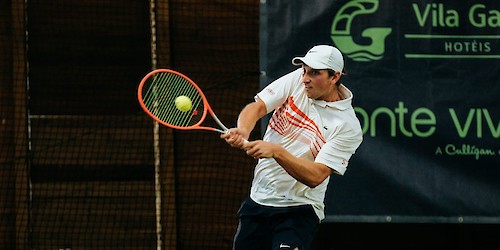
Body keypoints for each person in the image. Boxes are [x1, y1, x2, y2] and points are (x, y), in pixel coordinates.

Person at [221, 45, 363, 250]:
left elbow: (316, 176)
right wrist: (243, 130)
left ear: (335, 77)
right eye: (305, 70)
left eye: (315, 73)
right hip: (259, 200)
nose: (306, 78)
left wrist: (276, 152)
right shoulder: (298, 80)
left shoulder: (347, 126)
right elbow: (258, 106)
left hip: (299, 210)